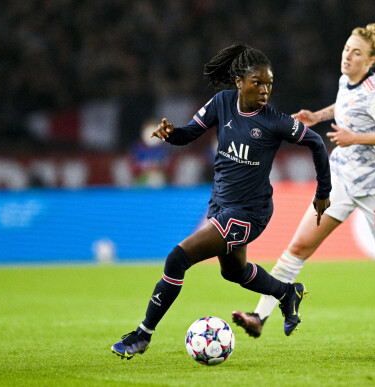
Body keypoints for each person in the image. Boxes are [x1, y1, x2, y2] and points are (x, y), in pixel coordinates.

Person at [232, 23, 375, 338]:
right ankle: (259, 317)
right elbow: (344, 106)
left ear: (370, 62)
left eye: (356, 53)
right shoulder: (346, 80)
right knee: (298, 247)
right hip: (340, 178)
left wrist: (353, 137)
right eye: (346, 49)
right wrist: (318, 116)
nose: (348, 56)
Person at [110, 42, 332, 359]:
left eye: (269, 83)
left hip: (248, 213)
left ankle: (142, 335)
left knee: (177, 259)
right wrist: (171, 134)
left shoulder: (274, 121)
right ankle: (287, 292)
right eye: (258, 82)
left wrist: (323, 191)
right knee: (234, 272)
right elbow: (188, 133)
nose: (265, 89)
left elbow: (316, 142)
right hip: (220, 204)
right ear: (239, 82)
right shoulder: (222, 103)